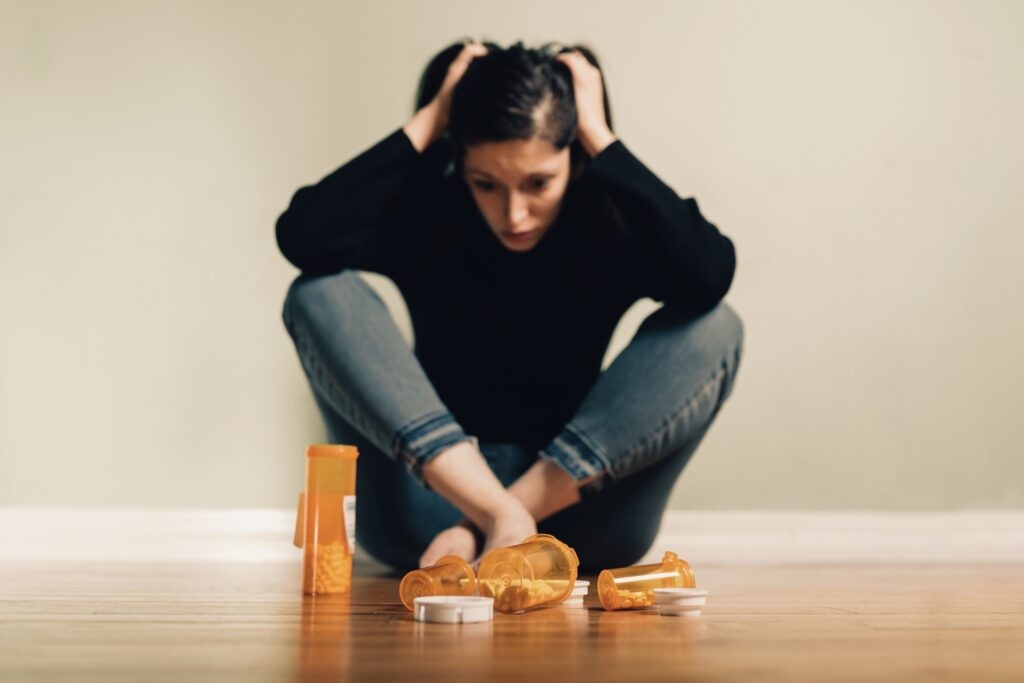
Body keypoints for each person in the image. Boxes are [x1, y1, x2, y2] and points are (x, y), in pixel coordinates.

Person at [275, 40, 743, 573]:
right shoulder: (429, 217)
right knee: (316, 292)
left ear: (575, 156)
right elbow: (304, 237)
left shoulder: (607, 222)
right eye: (487, 184)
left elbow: (710, 274)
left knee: (715, 325)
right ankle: (494, 513)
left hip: (577, 514)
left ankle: (502, 519)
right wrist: (430, 119)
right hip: (428, 512)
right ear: (461, 163)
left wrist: (601, 136)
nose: (514, 213)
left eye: (538, 183)